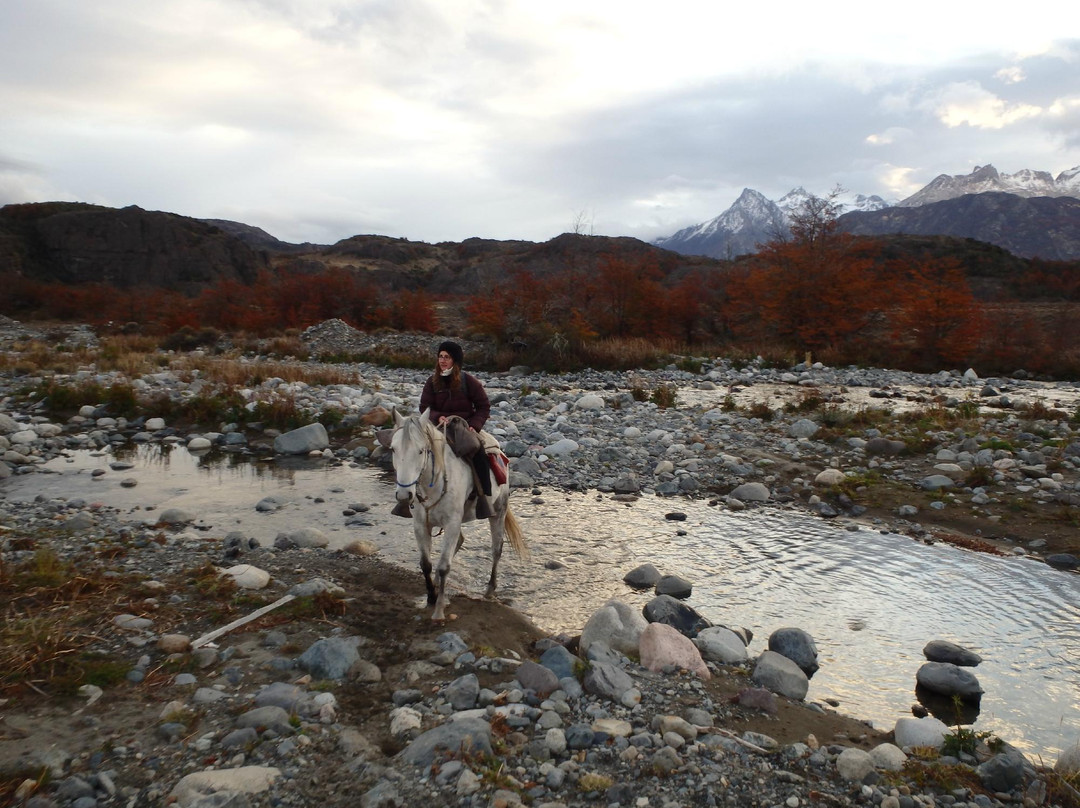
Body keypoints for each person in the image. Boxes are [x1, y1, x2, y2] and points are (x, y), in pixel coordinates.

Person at [406, 340, 496, 517]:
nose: (442, 360)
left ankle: (484, 497)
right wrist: (436, 416)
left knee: (478, 452)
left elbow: (484, 407)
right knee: (412, 450)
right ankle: (407, 497)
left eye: (447, 357)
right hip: (437, 427)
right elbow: (425, 407)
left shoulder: (468, 381)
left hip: (463, 427)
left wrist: (474, 426)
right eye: (440, 356)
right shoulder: (432, 382)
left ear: (455, 361)